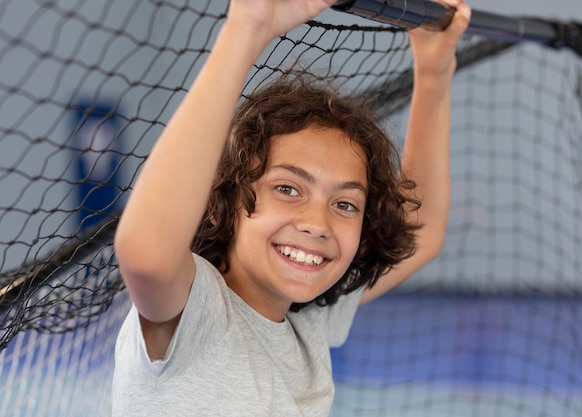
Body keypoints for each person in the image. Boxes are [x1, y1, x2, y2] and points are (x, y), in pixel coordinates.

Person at [112, 0, 471, 415]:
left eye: (344, 203)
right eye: (288, 188)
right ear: (219, 203)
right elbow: (146, 254)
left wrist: (434, 68)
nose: (318, 223)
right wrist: (247, 28)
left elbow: (419, 230)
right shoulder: (196, 309)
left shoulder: (308, 319)